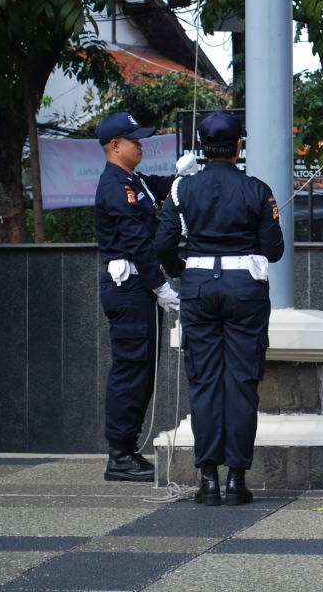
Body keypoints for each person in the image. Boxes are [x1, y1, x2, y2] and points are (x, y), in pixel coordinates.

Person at [154, 110, 285, 506]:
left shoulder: (181, 189)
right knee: (243, 382)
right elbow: (273, 250)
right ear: (238, 146)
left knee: (205, 381)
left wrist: (183, 271)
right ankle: (237, 480)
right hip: (245, 290)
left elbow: (163, 244)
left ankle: (208, 480)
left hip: (198, 288)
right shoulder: (258, 189)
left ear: (202, 146)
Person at [94, 111, 195, 482]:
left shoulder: (131, 180)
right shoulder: (115, 185)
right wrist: (161, 286)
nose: (140, 145)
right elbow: (137, 242)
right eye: (133, 140)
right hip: (130, 288)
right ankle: (120, 455)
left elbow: (162, 187)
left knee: (140, 369)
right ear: (115, 145)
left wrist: (184, 176)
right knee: (131, 369)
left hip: (138, 288)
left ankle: (126, 449)